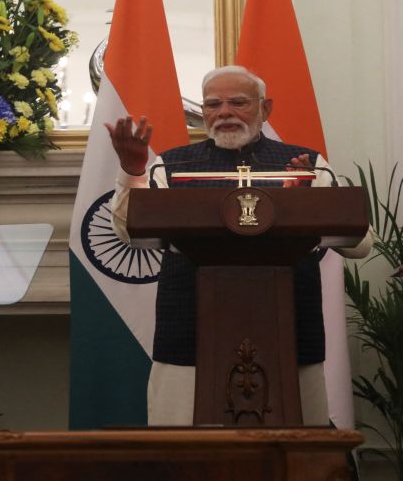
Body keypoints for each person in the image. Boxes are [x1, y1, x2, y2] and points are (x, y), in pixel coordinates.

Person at [105, 65, 371, 426]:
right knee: (184, 455)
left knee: (295, 451)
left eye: (238, 102)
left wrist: (302, 207)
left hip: (289, 329)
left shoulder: (308, 166)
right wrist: (134, 171)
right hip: (189, 330)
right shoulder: (171, 164)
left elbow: (361, 244)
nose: (224, 112)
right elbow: (127, 232)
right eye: (213, 104)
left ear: (266, 108)